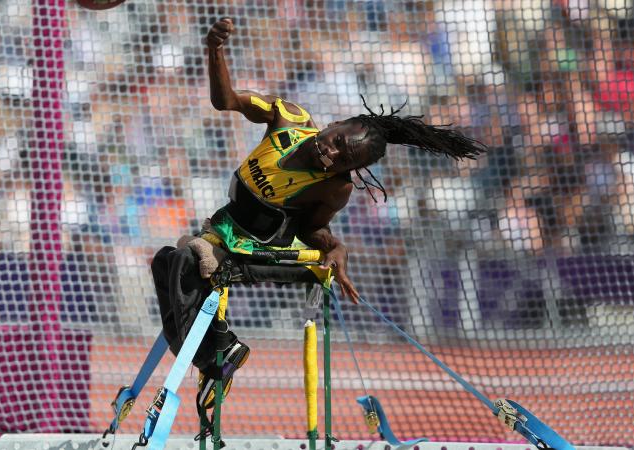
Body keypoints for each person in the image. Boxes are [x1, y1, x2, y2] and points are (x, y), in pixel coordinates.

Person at [151, 17, 485, 414]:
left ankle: (218, 355)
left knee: (188, 261)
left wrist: (336, 246)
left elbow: (312, 228)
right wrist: (215, 50)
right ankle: (217, 355)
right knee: (164, 262)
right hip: (223, 228)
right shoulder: (289, 118)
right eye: (337, 142)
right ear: (332, 124)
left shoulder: (335, 187)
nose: (332, 154)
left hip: (258, 243)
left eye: (343, 159)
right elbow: (227, 101)